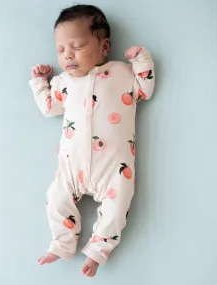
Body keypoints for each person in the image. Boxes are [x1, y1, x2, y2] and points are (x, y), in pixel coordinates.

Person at [29, 4, 155, 277]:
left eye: (77, 46)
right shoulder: (63, 82)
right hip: (72, 169)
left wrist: (141, 60)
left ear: (104, 46)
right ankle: (62, 242)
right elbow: (50, 107)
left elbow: (144, 90)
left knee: (119, 204)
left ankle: (98, 251)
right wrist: (40, 82)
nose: (68, 55)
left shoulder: (122, 73)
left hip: (114, 169)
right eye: (61, 49)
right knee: (55, 197)